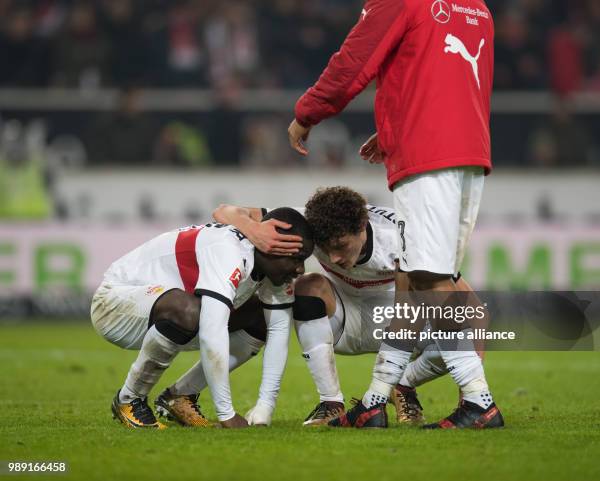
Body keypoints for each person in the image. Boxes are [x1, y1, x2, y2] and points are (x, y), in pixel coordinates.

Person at [287, 1, 501, 429]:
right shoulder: (476, 8)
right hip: (469, 151)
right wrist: (395, 128)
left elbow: (353, 62)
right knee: (419, 278)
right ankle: (376, 399)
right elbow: (447, 82)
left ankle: (480, 402)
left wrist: (306, 113)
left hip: (428, 157)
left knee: (430, 280)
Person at [166, 187, 487, 428]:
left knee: (460, 319)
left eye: (341, 247)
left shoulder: (403, 236)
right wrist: (257, 232)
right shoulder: (312, 220)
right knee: (306, 286)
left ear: (362, 228)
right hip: (340, 320)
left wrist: (468, 393)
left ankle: (404, 384)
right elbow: (225, 211)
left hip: (399, 324)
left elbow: (475, 312)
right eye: (327, 248)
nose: (334, 258)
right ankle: (330, 402)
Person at [90, 208, 314, 429]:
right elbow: (211, 332)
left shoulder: (267, 264)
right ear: (272, 247)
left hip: (168, 311)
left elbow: (278, 330)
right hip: (114, 303)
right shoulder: (229, 251)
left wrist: (264, 409)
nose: (300, 270)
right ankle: (129, 399)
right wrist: (226, 414)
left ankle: (179, 397)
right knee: (188, 310)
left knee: (259, 319)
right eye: (297, 258)